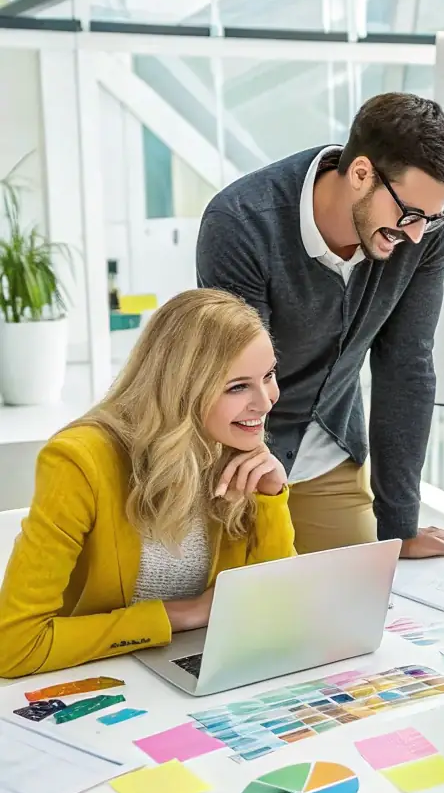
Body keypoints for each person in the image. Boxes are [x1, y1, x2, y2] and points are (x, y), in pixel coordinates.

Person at [197, 92, 444, 559]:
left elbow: (406, 365)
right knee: (250, 598)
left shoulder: (425, 233)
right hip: (239, 457)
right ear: (361, 173)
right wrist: (262, 489)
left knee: (362, 592)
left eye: (432, 217)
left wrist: (399, 528)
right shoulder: (242, 223)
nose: (415, 235)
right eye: (409, 214)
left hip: (329, 450)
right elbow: (238, 379)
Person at [0, 289, 296, 678]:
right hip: (98, 680)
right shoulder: (80, 461)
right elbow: (14, 646)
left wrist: (272, 497)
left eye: (268, 376)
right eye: (238, 386)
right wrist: (182, 614)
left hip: (202, 674)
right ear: (182, 388)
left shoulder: (235, 449)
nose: (267, 401)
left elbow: (280, 608)